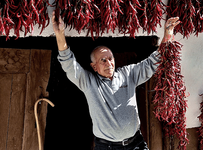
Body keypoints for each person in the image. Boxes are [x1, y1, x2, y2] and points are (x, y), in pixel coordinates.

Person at [52, 11, 180, 150]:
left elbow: (153, 62)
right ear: (94, 67)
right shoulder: (89, 83)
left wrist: (168, 33)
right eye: (103, 60)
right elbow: (68, 63)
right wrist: (60, 34)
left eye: (111, 58)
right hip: (107, 147)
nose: (109, 63)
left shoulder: (127, 74)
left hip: (135, 144)